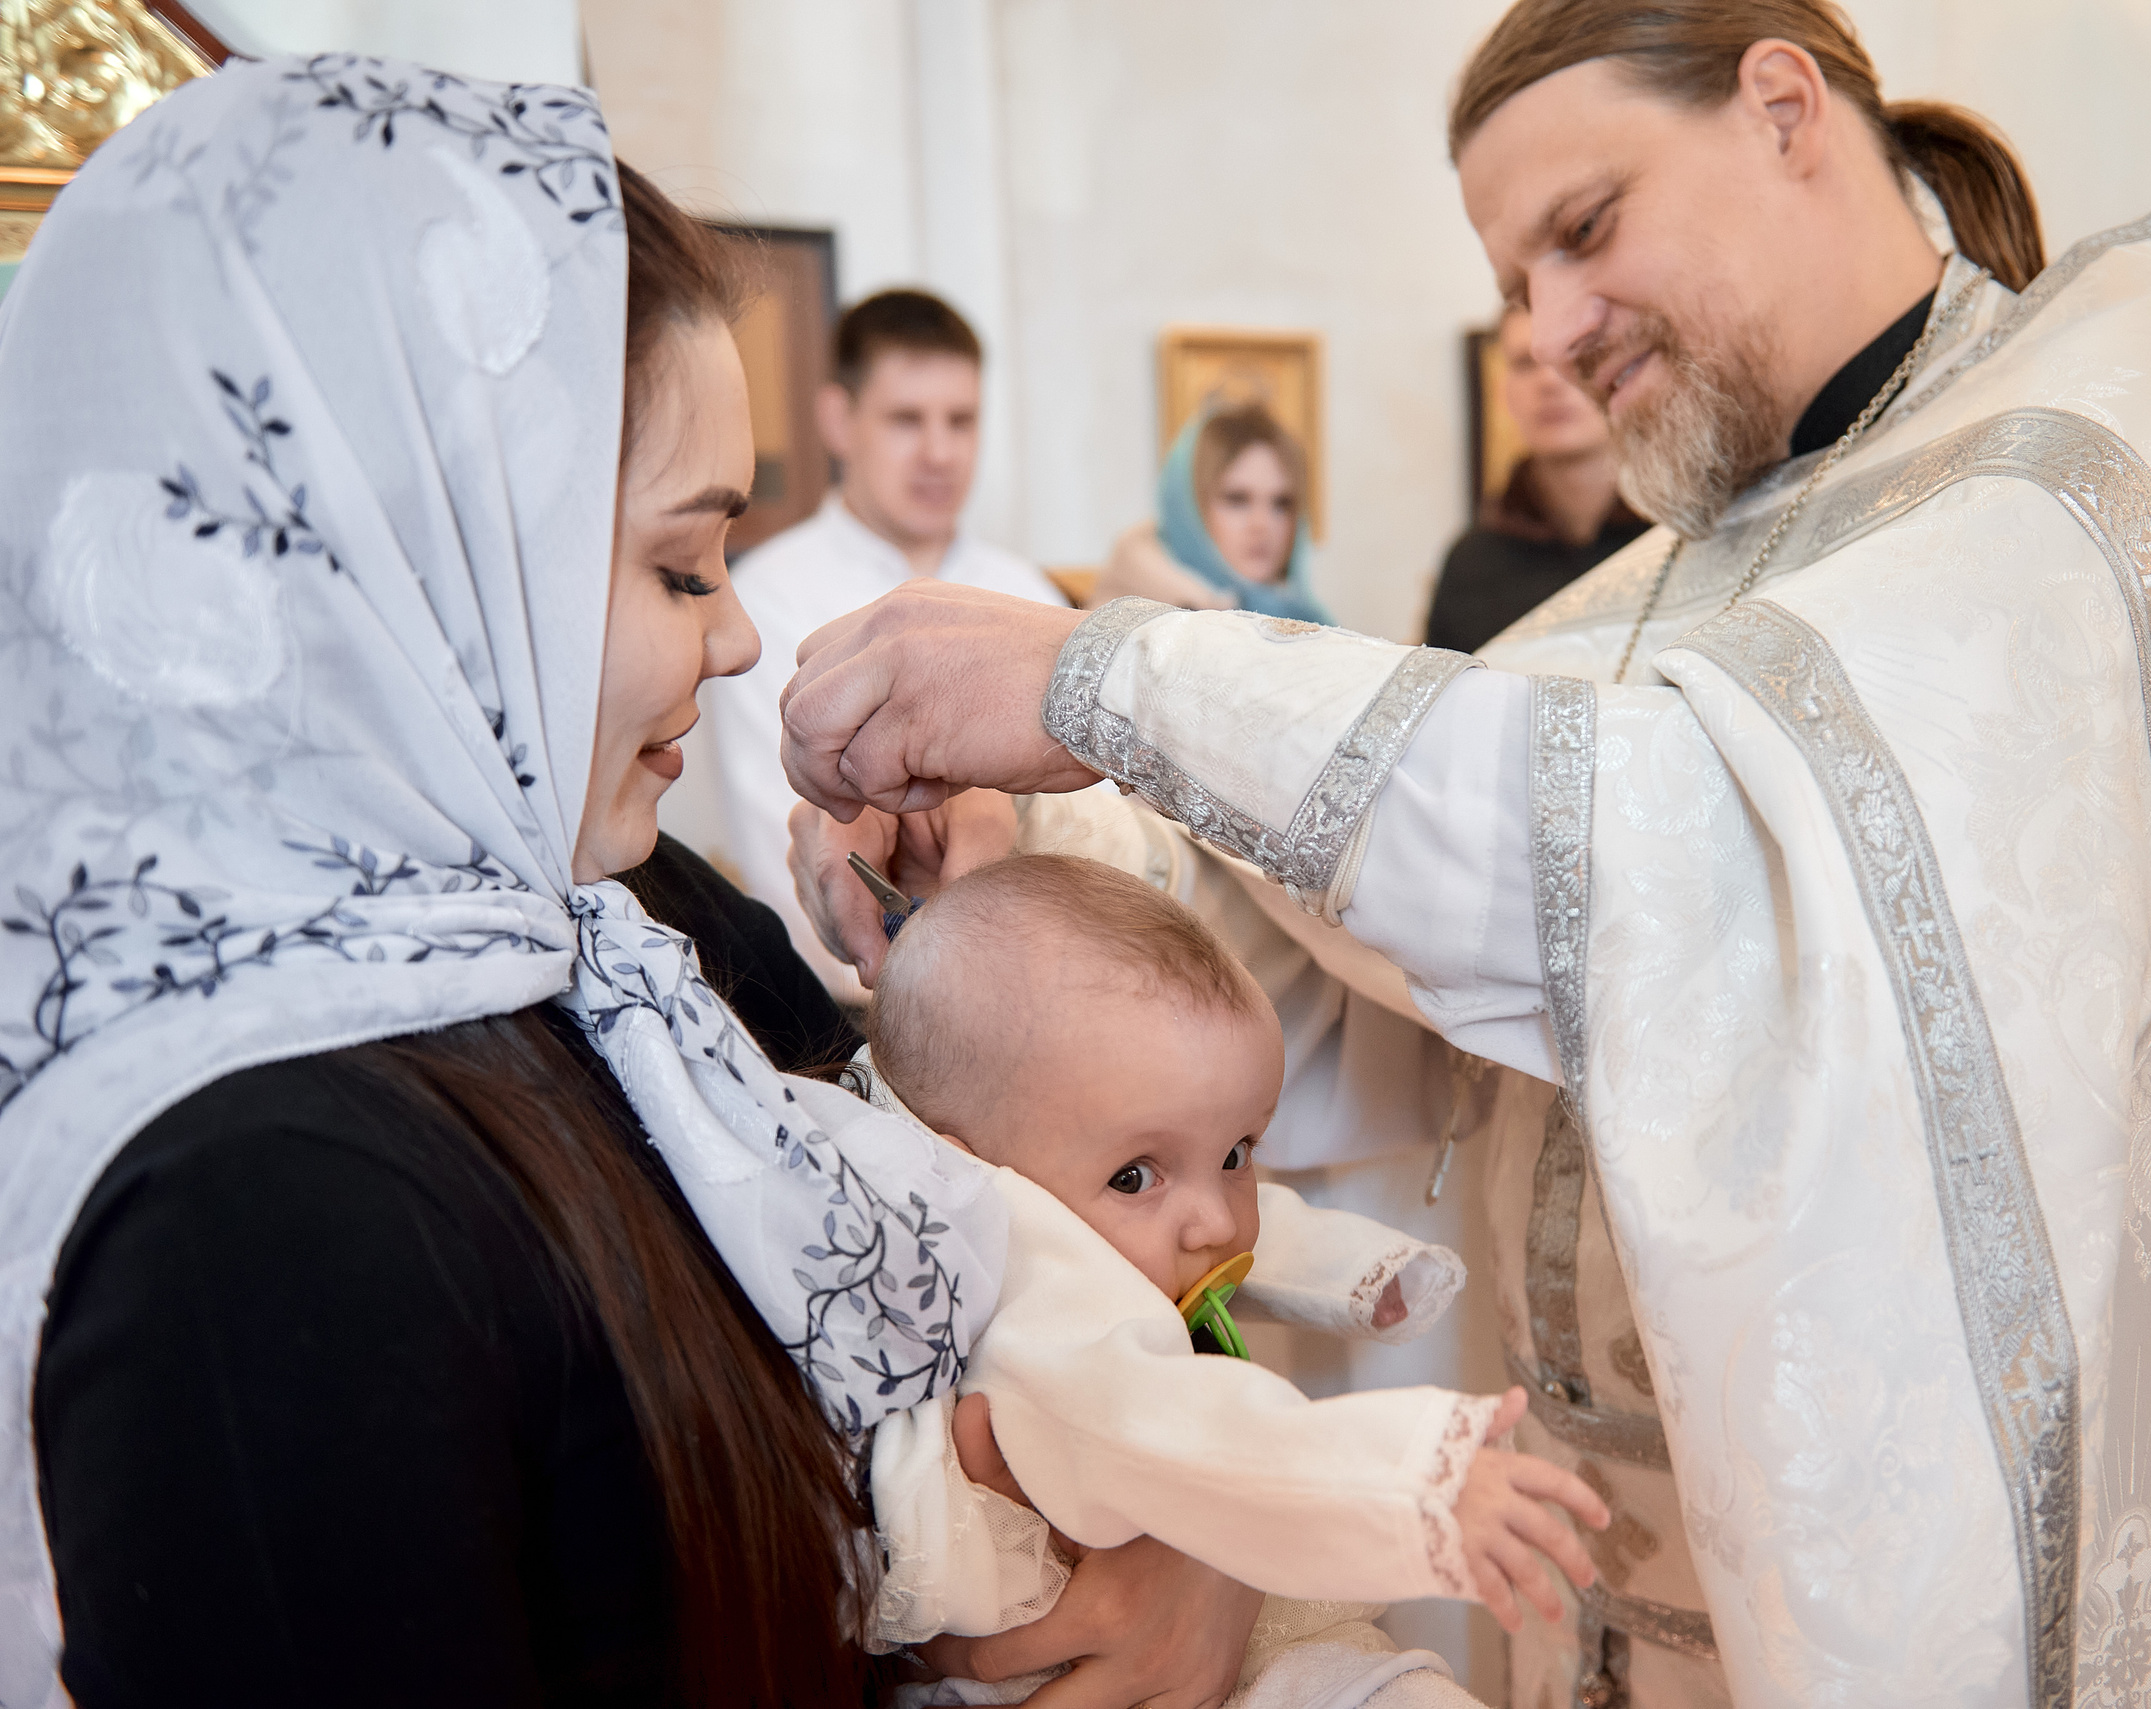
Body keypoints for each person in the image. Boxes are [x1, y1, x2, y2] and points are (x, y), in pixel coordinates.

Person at [771, 3, 2151, 1706]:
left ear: (1783, 107)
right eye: (1515, 284)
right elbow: (1378, 961)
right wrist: (1020, 865)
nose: (1552, 332)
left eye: (1584, 230)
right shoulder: (1668, 584)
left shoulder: (2087, 450)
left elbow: (1672, 853)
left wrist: (1098, 674)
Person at [0, 56, 1255, 1709]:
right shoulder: (257, 1218)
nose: (736, 637)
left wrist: (1192, 1542)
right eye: (679, 563)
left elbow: (1046, 1239)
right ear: (410, 565)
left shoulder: (626, 922)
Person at [847, 853, 1607, 1708]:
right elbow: (1194, 1430)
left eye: (1238, 1152)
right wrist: (1410, 1480)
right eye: (1137, 1175)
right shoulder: (1049, 1326)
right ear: (970, 1173)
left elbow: (1257, 1232)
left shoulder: (1051, 1209)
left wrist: (1360, 1273)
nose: (1215, 1219)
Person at [704, 289, 1062, 999]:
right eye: (907, 419)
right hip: (845, 1008)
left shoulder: (1029, 595)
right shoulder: (770, 600)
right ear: (840, 419)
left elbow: (1094, 825)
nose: (939, 452)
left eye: (961, 420)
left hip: (1040, 979)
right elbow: (790, 855)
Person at [1426, 307, 1651, 655]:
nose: (1548, 381)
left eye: (1575, 357)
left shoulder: (1683, 538)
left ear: (1624, 375)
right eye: (1525, 363)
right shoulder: (1471, 564)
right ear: (1504, 391)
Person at [1098, 401, 1332, 624]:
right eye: (1237, 499)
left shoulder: (1305, 619)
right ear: (1188, 509)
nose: (1262, 524)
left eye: (1282, 503)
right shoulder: (1130, 629)